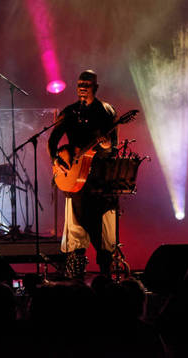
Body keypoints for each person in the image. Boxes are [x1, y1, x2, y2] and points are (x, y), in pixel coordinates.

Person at [48, 70, 118, 277]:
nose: (82, 88)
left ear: (95, 87)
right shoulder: (70, 112)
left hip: (100, 180)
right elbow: (52, 140)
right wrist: (56, 160)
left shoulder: (106, 111)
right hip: (75, 179)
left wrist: (106, 146)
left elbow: (113, 146)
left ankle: (106, 277)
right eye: (79, 84)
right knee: (77, 228)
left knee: (103, 231)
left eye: (86, 84)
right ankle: (76, 278)